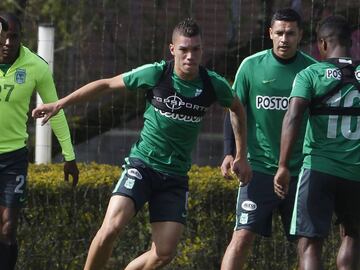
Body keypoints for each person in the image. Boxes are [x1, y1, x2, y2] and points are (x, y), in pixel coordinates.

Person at [32, 18, 252, 270]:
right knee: (111, 228)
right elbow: (106, 84)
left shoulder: (213, 84)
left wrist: (239, 154)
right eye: (184, 49)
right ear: (173, 49)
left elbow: (236, 108)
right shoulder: (157, 73)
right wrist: (60, 103)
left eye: (196, 49)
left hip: (175, 177)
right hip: (143, 166)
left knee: (164, 254)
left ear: (202, 50)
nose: (190, 56)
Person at [220, 8, 317, 270]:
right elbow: (234, 110)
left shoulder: (313, 70)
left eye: (291, 33)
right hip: (258, 169)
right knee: (241, 237)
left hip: (300, 171)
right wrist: (231, 152)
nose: (284, 38)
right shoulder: (251, 66)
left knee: (306, 244)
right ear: (270, 34)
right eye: (280, 33)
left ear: (300, 36)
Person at [274, 15, 360, 270]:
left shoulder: (310, 74)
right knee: (354, 238)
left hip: (318, 169)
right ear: (350, 43)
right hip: (356, 172)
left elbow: (293, 116)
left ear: (322, 44)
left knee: (310, 244)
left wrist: (283, 165)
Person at [0, 13, 79, 270]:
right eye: (3, 36)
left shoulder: (36, 66)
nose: (8, 42)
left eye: (14, 37)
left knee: (8, 227)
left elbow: (55, 110)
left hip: (13, 159)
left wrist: (69, 156)